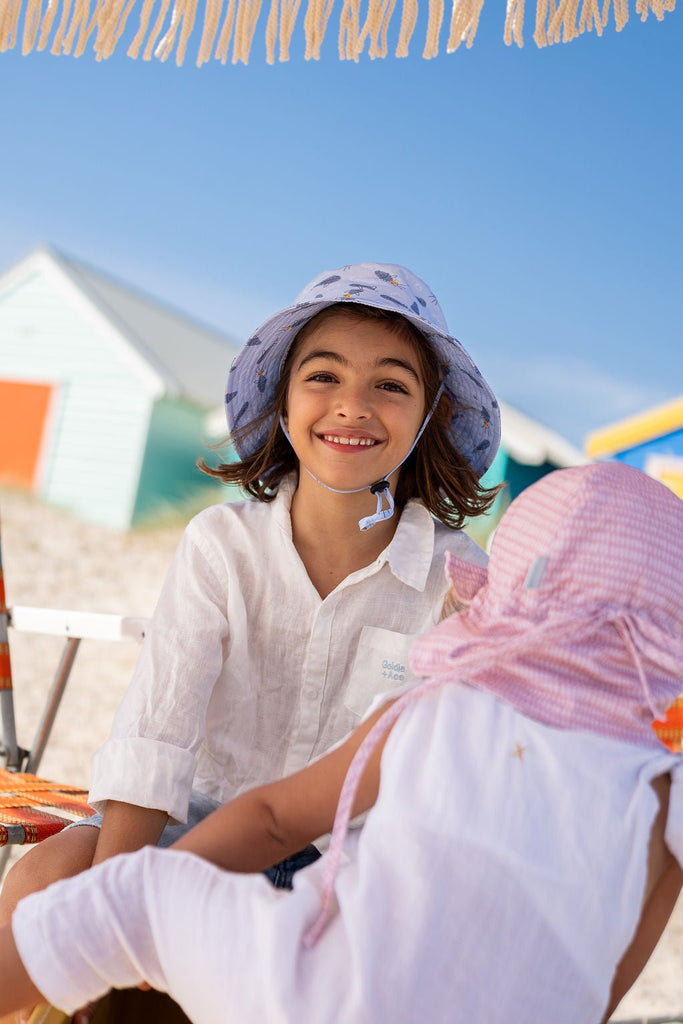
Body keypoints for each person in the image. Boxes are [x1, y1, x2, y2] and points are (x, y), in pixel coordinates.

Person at [0, 461, 681, 1024]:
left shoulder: (440, 710)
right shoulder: (663, 793)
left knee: (117, 903)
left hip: (313, 992)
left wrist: (140, 892)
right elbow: (613, 972)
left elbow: (269, 818)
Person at [0, 262, 500, 1016]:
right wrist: (115, 906)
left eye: (391, 384)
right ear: (282, 398)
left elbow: (443, 785)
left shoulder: (458, 580)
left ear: (428, 416)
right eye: (323, 376)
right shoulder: (220, 545)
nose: (352, 406)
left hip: (346, 867)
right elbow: (153, 737)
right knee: (44, 878)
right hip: (196, 831)